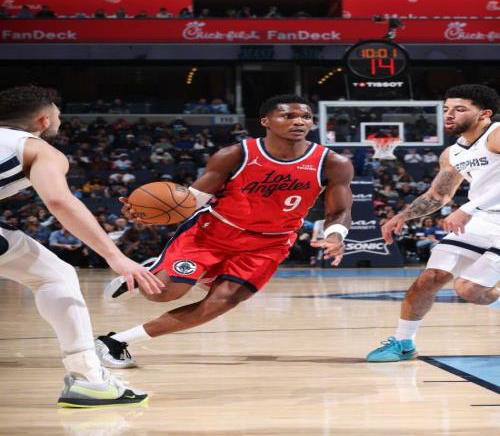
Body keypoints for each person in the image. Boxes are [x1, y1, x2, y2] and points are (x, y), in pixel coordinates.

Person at [95, 94, 354, 368]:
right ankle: (152, 270)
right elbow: (191, 200)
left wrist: (336, 234)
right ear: (265, 121)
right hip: (213, 233)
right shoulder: (235, 155)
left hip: (269, 244)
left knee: (224, 301)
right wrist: (145, 213)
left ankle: (116, 341)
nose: (299, 122)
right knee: (162, 293)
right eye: (288, 116)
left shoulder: (333, 163)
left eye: (306, 117)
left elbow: (339, 210)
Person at [0, 86, 163, 406]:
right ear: (44, 120)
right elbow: (60, 201)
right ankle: (89, 380)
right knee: (54, 276)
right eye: (59, 115)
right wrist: (115, 256)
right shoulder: (37, 149)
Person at [367, 84, 500, 362]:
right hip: (483, 219)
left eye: (459, 109)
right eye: (446, 109)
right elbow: (438, 195)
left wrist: (468, 207)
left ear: (484, 114)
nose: (449, 115)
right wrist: (402, 216)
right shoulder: (452, 153)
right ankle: (404, 343)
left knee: (469, 289)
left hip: (478, 212)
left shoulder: (496, 134)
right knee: (431, 277)